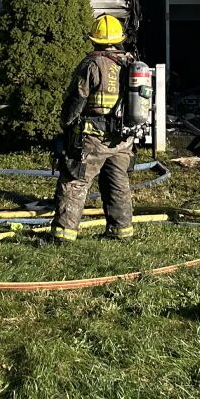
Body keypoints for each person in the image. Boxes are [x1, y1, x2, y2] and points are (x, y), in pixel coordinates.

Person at [51, 13, 137, 243]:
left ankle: (63, 235)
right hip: (123, 139)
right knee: (117, 183)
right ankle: (121, 231)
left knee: (75, 181)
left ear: (94, 39)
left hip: (94, 138)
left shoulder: (92, 64)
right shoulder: (130, 63)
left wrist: (66, 124)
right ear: (119, 38)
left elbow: (77, 99)